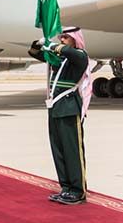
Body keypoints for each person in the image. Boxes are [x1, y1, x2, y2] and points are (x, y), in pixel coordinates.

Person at [28, 26, 92, 205]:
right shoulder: (62, 61)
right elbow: (37, 54)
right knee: (59, 150)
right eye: (61, 36)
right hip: (56, 108)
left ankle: (78, 191)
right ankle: (66, 188)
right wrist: (37, 46)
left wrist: (53, 45)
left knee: (72, 152)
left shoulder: (80, 56)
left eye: (66, 37)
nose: (62, 39)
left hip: (69, 108)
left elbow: (66, 51)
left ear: (74, 39)